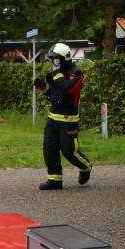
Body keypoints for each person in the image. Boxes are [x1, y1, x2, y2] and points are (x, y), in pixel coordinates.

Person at [33, 43, 93, 190]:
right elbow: (55, 95)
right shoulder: (57, 74)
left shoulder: (76, 73)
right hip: (53, 119)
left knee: (68, 151)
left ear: (64, 58)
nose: (54, 61)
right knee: (49, 149)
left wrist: (55, 75)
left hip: (69, 120)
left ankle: (86, 167)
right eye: (52, 58)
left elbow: (68, 88)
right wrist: (42, 87)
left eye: (56, 58)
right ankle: (54, 180)